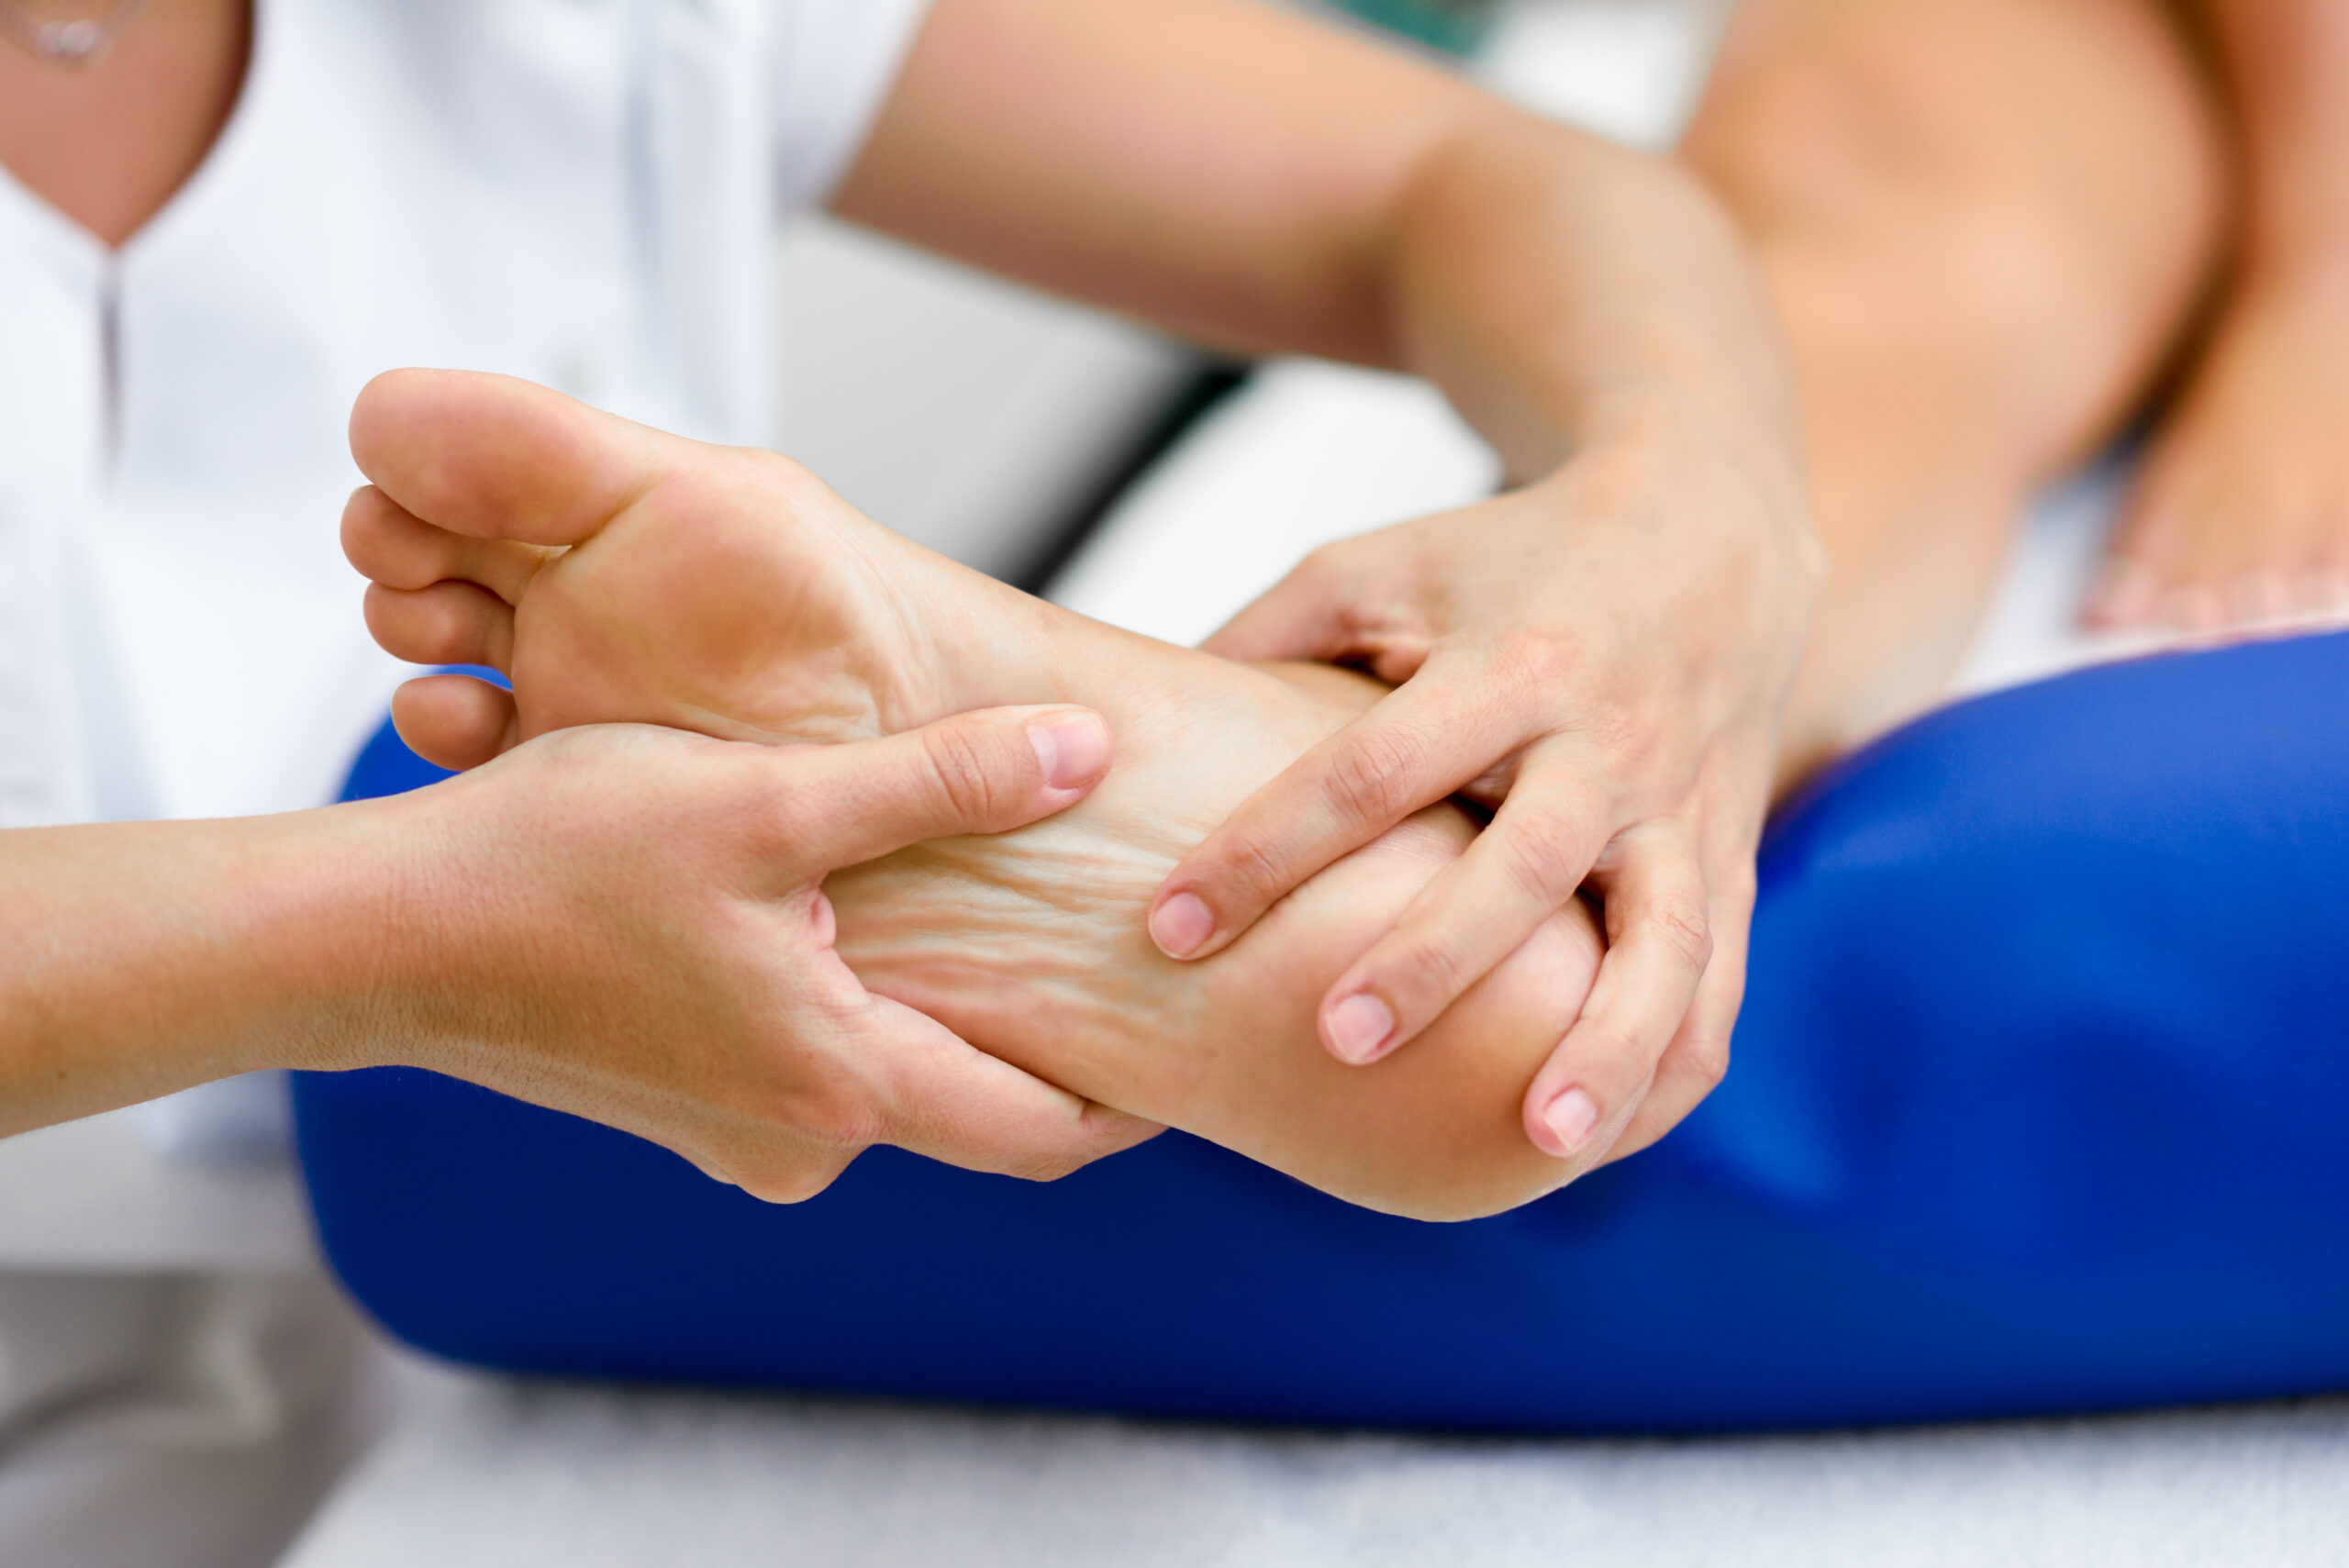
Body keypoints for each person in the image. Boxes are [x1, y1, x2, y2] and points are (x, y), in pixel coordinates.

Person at [0, 0, 1816, 1176]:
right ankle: (956, 822)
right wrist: (399, 935)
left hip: (547, 1210)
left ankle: (905, 821)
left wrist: (1682, 499)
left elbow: (1464, 173)